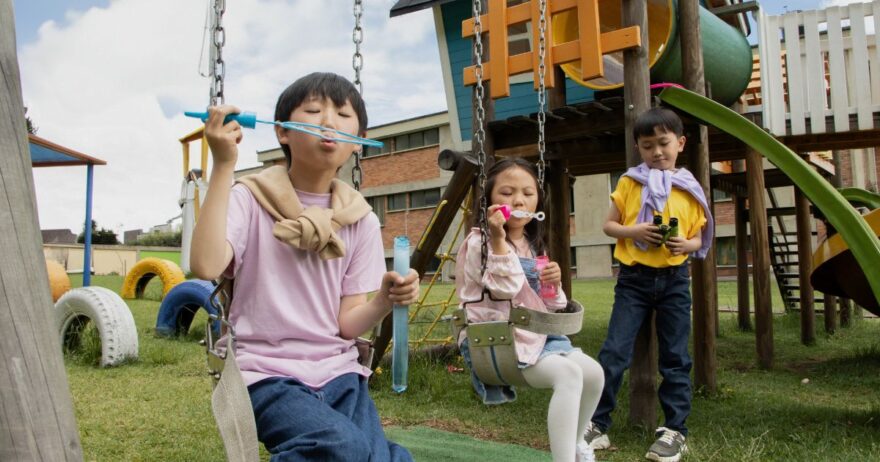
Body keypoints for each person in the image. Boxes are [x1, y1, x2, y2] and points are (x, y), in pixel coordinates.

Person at [191, 72, 418, 462]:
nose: (329, 121)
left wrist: (383, 299)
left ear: (358, 142)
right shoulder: (250, 199)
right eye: (313, 111)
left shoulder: (359, 219)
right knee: (342, 447)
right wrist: (224, 165)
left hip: (340, 374)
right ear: (282, 132)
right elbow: (204, 264)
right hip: (265, 374)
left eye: (344, 115)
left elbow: (347, 324)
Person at [583, 107, 714, 462]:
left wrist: (685, 245)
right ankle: (596, 424)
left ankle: (675, 431)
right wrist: (635, 231)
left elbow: (699, 236)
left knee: (675, 357)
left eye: (663, 143)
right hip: (633, 280)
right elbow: (610, 226)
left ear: (680, 143)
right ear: (638, 149)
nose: (657, 152)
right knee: (613, 352)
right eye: (647, 146)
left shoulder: (689, 185)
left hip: (675, 281)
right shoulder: (630, 182)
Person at [455, 158, 605, 462]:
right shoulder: (479, 242)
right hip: (496, 340)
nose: (519, 200)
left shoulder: (532, 243)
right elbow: (504, 290)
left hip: (534, 335)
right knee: (568, 375)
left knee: (594, 374)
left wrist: (554, 283)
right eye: (507, 193)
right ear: (489, 200)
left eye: (528, 193)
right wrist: (497, 240)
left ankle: (576, 446)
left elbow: (551, 306)